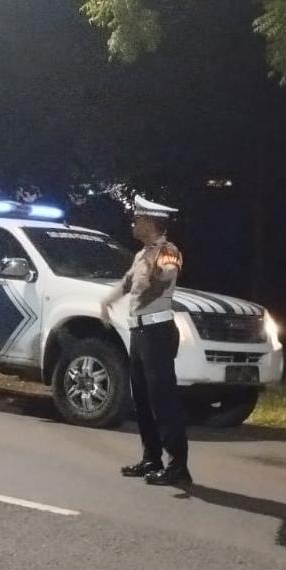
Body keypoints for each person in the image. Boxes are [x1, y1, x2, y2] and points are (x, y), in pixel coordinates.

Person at [101, 195, 190, 487]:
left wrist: (162, 271)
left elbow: (168, 270)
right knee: (141, 399)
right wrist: (107, 301)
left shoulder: (167, 251)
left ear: (150, 223)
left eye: (138, 219)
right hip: (139, 333)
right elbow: (128, 282)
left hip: (157, 332)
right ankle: (151, 458)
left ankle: (178, 466)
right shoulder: (141, 254)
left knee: (162, 399)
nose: (133, 224)